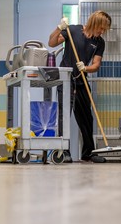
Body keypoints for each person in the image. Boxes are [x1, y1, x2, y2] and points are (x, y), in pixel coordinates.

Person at [48, 10, 112, 163]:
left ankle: (88, 153)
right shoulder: (73, 31)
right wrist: (59, 27)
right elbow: (51, 43)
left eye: (104, 30)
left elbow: (96, 65)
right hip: (66, 79)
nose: (102, 32)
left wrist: (86, 68)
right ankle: (63, 151)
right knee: (64, 116)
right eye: (101, 28)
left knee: (86, 118)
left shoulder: (99, 42)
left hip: (81, 80)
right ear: (94, 23)